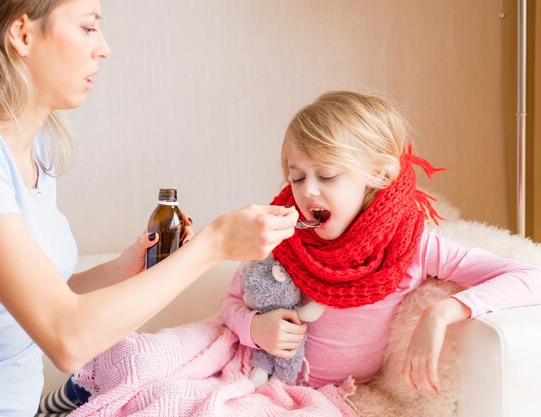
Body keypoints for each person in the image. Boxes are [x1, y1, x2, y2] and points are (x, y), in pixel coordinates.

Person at [0, 0, 298, 415]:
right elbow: (66, 339)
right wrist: (213, 246)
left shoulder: (35, 145)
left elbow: (35, 301)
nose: (104, 48)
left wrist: (121, 270)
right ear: (22, 34)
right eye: (88, 28)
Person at [221, 90, 541, 394]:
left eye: (327, 175)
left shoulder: (410, 246)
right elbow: (231, 302)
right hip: (257, 375)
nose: (307, 192)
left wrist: (441, 312)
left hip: (335, 395)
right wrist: (255, 328)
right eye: (298, 177)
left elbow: (531, 277)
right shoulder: (283, 234)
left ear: (379, 175)